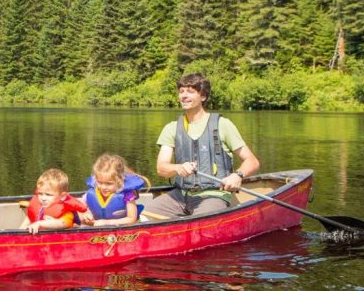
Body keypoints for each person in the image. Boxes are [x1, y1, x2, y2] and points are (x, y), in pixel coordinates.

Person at [144, 73, 260, 218]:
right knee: (143, 214)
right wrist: (178, 168)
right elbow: (161, 168)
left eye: (190, 91)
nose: (184, 96)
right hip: (180, 195)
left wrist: (238, 175)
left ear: (203, 96)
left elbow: (252, 161)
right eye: (181, 91)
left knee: (200, 219)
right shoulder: (171, 128)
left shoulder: (223, 125)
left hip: (213, 195)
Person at [78, 154, 146, 226]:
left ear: (120, 181)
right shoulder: (93, 192)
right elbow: (78, 206)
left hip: (123, 230)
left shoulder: (128, 195)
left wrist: (107, 222)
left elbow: (131, 219)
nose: (103, 187)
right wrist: (85, 215)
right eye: (100, 182)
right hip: (99, 228)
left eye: (108, 184)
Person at [25, 168, 88, 234]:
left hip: (63, 240)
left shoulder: (66, 211)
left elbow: (63, 223)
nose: (43, 198)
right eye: (40, 193)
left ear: (62, 196)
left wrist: (40, 223)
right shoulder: (39, 206)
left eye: (48, 195)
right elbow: (29, 218)